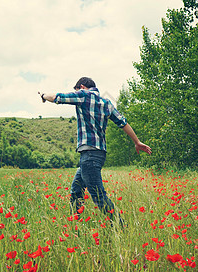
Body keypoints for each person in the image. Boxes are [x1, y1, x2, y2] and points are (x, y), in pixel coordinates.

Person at [39, 77, 151, 226]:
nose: (76, 92)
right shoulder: (106, 103)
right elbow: (123, 122)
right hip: (98, 154)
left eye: (76, 89)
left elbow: (57, 97)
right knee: (76, 190)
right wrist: (137, 142)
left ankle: (121, 226)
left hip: (89, 155)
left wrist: (43, 96)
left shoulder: (83, 95)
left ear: (82, 87)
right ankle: (75, 224)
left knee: (99, 196)